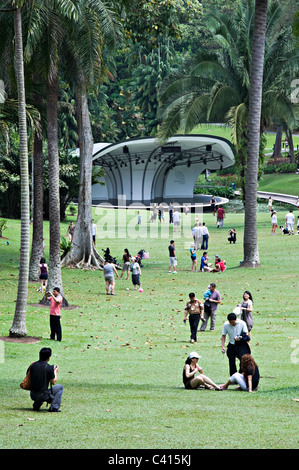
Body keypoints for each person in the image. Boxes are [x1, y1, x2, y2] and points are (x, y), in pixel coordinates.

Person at [27, 347, 63, 412]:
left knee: (41, 389)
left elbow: (28, 374)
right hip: (42, 396)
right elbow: (53, 382)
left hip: (32, 394)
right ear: (49, 357)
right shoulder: (49, 368)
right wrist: (55, 371)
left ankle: (36, 405)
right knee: (60, 387)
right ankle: (54, 407)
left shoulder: (33, 365)